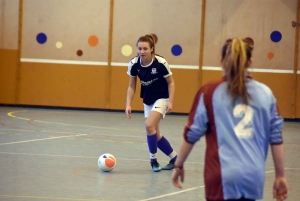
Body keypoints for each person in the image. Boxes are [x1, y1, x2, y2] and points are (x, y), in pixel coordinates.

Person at [172, 38, 289, 201]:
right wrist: (280, 176)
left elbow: (192, 133)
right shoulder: (266, 94)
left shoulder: (210, 92)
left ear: (221, 61)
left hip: (220, 176)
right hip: (253, 176)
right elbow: (276, 138)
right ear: (250, 61)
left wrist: (178, 164)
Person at [125, 33, 177, 172]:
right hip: (147, 99)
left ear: (152, 49)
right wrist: (128, 104)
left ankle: (153, 160)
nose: (142, 52)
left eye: (145, 49)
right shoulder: (134, 64)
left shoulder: (160, 63)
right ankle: (176, 159)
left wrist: (170, 102)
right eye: (140, 49)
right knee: (155, 133)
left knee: (149, 125)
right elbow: (132, 86)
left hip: (162, 97)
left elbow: (171, 83)